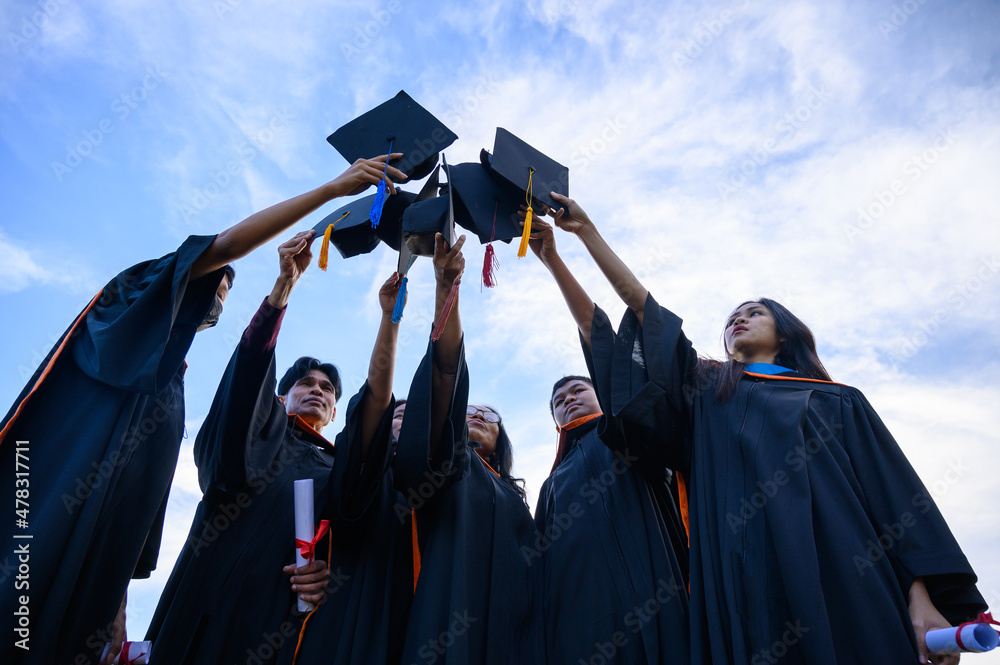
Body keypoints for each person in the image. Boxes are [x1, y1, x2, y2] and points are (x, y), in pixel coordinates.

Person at [540, 192, 987, 665]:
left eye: (755, 312)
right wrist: (577, 241)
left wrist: (921, 598)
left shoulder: (840, 401)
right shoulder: (707, 396)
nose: (739, 319)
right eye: (733, 317)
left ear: (786, 331)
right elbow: (640, 319)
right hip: (742, 584)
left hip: (848, 568)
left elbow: (892, 502)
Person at [0, 153, 405, 665]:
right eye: (216, 282)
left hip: (266, 616)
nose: (219, 293)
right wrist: (329, 198)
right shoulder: (135, 297)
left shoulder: (173, 385)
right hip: (65, 503)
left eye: (329, 386)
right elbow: (226, 255)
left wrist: (119, 601)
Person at [524, 214, 690, 665]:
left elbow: (597, 333)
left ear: (604, 391)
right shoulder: (552, 483)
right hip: (578, 619)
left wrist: (554, 260)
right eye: (558, 399)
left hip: (654, 592)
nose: (568, 399)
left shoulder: (621, 430)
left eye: (578, 389)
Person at [394, 233, 543, 665]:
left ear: (503, 438)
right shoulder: (450, 466)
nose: (477, 415)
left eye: (489, 415)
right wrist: (447, 290)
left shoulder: (516, 496)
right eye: (470, 411)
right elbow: (445, 377)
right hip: (446, 614)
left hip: (513, 627)